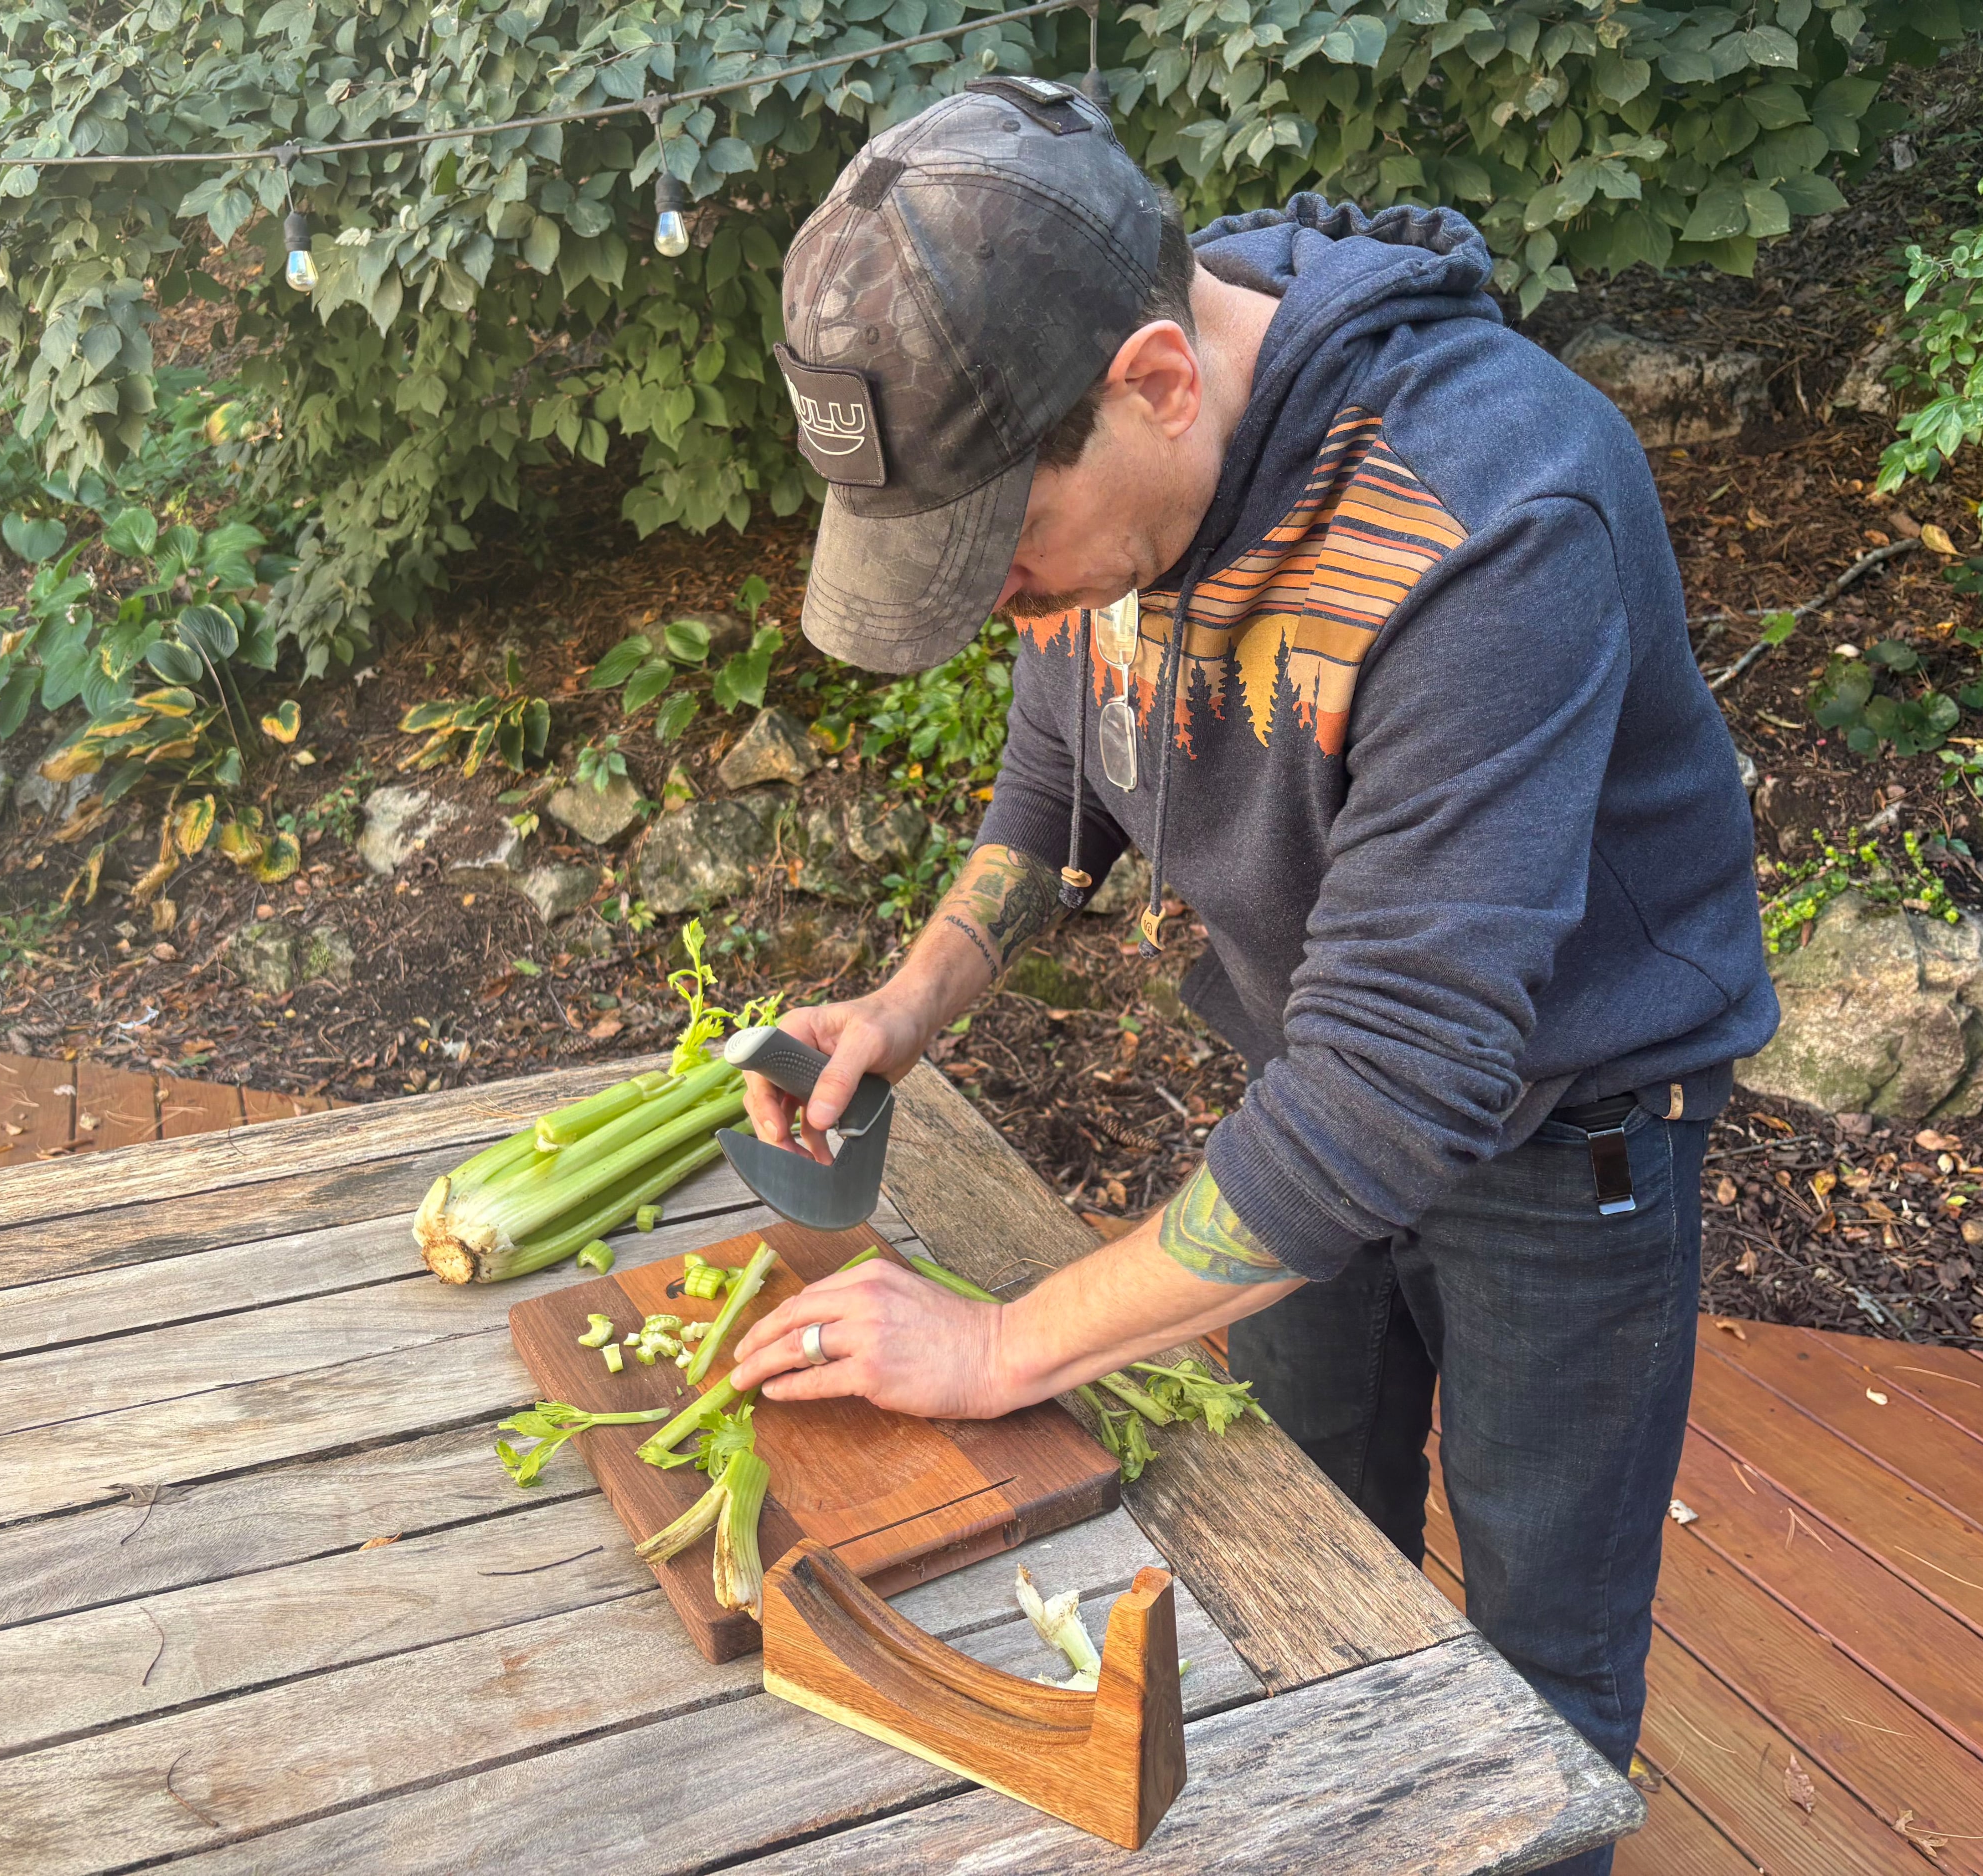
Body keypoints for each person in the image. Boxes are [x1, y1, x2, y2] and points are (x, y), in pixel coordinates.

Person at [723, 76, 1775, 1867]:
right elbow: (1061, 780)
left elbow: (1406, 1078)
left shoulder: (1496, 512)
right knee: (1300, 1550)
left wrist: (994, 1347)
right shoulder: (1108, 489)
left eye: (1008, 558)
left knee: (1537, 1676)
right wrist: (909, 1006)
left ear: (1154, 379)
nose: (1002, 607)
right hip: (1317, 1102)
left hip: (1565, 1143)